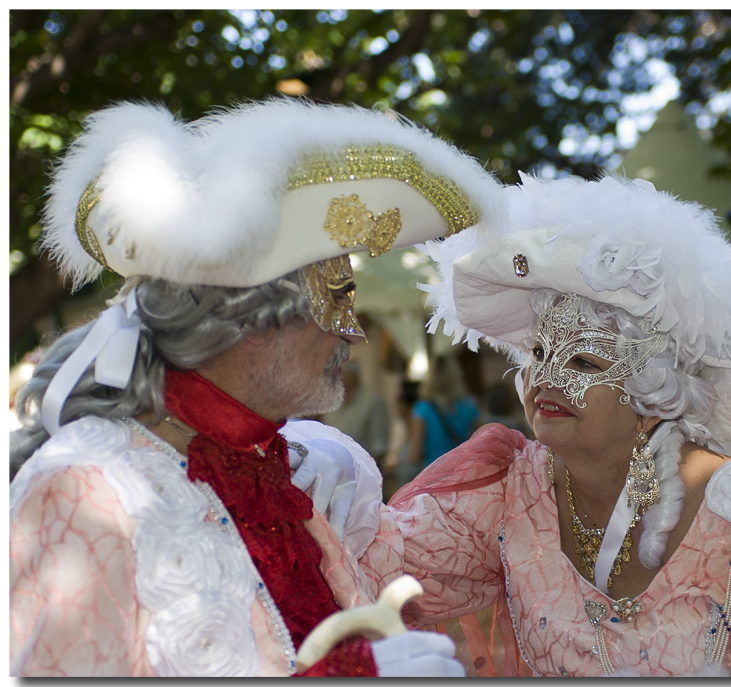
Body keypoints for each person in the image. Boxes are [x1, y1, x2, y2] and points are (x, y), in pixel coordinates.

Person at [353, 174, 731, 676]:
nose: (546, 378)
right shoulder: (503, 495)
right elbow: (364, 568)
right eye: (539, 354)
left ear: (655, 390)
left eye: (585, 361)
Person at [8, 98, 505, 677]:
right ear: (251, 316)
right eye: (338, 300)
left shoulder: (284, 469)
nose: (353, 336)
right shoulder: (87, 486)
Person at [407, 354, 478, 469]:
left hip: (435, 476)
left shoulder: (422, 409)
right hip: (463, 473)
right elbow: (480, 446)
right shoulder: (469, 407)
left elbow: (413, 456)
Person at [320, 361, 391, 469]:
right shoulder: (330, 399)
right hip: (333, 466)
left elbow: (378, 444)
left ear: (353, 376)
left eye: (341, 374)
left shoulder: (373, 401)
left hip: (361, 468)